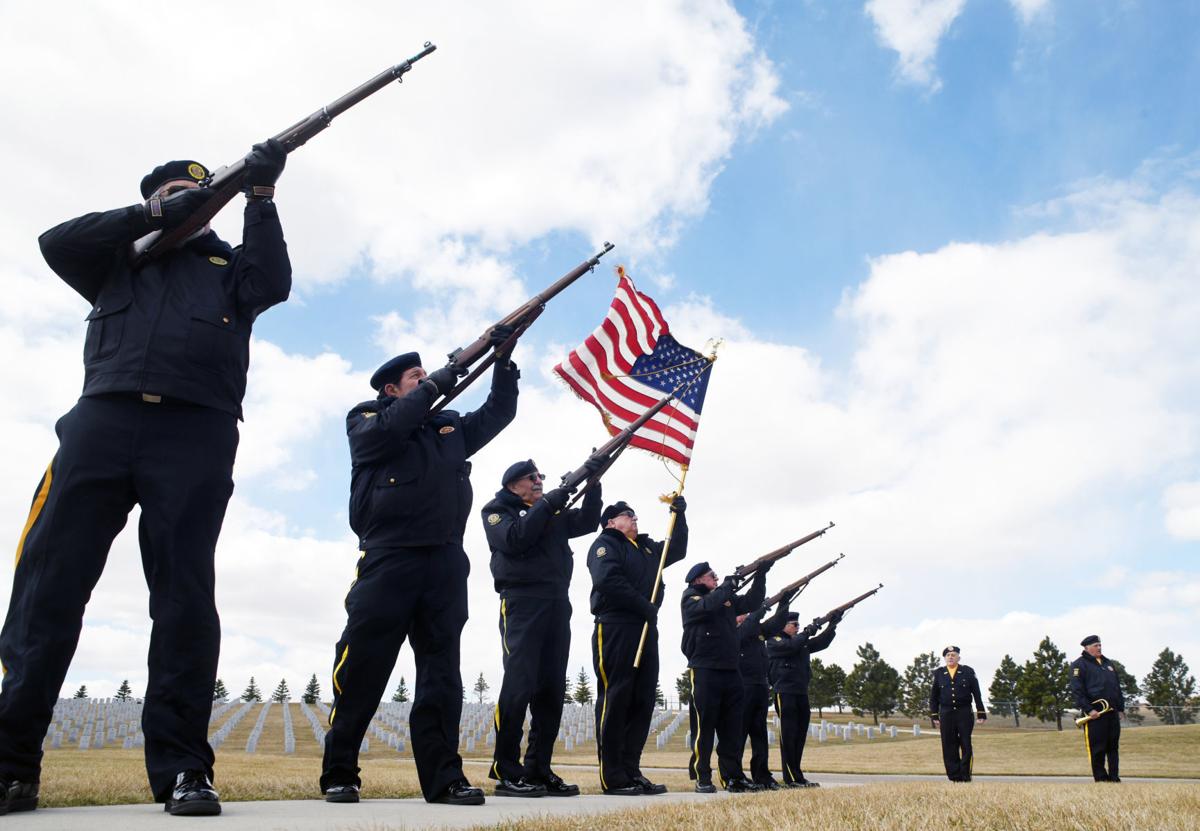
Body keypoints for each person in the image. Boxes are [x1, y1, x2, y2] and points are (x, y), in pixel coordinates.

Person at [0, 146, 289, 817]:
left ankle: (185, 768)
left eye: (198, 193)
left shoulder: (228, 265)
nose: (190, 200)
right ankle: (11, 762)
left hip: (196, 429)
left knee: (184, 598)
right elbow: (54, 241)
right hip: (102, 417)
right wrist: (151, 212)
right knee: (47, 588)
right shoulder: (112, 253)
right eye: (174, 192)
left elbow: (271, 283)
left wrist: (260, 197)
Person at [320, 341, 518, 806]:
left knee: (441, 675)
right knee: (363, 668)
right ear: (393, 388)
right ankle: (339, 772)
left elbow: (497, 414)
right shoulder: (368, 417)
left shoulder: (446, 427)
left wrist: (504, 361)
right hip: (388, 557)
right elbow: (381, 434)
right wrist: (436, 385)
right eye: (417, 378)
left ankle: (443, 778)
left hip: (445, 561)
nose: (427, 381)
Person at [481, 458, 602, 797]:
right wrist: (551, 501)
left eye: (540, 477)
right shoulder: (496, 510)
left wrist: (594, 485)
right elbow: (514, 539)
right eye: (531, 478)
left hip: (556, 602)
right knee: (519, 685)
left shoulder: (551, 511)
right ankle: (506, 769)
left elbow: (589, 522)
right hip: (521, 601)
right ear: (512, 485)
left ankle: (538, 768)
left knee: (550, 691)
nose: (538, 481)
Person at [588, 497, 687, 795]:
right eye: (627, 515)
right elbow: (608, 580)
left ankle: (631, 769)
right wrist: (643, 605)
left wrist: (678, 516)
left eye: (635, 515)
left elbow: (677, 550)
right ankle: (612, 775)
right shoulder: (605, 545)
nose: (634, 519)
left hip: (645, 626)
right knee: (616, 697)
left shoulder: (646, 548)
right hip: (616, 624)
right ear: (611, 522)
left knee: (642, 700)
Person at [681, 562, 767, 793]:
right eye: (712, 576)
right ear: (699, 579)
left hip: (731, 670)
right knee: (705, 727)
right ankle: (702, 776)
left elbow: (752, 602)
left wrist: (761, 575)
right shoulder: (691, 598)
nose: (717, 579)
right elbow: (707, 607)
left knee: (732, 730)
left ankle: (733, 777)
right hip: (705, 669)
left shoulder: (723, 598)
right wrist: (728, 586)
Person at [766, 610, 841, 788]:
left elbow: (821, 643)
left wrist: (832, 625)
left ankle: (797, 775)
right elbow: (790, 647)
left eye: (799, 625)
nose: (798, 627)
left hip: (800, 691)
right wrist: (808, 631)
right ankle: (790, 777)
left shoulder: (799, 642)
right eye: (795, 625)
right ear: (783, 625)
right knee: (789, 735)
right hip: (784, 692)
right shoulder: (774, 640)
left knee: (799, 735)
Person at [736, 596, 790, 789]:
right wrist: (760, 609)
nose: (746, 614)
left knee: (759, 734)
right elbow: (746, 628)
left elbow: (776, 624)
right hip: (743, 687)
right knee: (739, 734)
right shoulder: (735, 630)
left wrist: (784, 602)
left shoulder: (757, 630)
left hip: (760, 685)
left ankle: (762, 774)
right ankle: (736, 774)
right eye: (743, 612)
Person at [1069, 635, 1124, 783]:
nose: (1099, 648)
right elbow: (1077, 690)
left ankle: (1114, 778)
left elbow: (1117, 688)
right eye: (1095, 645)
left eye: (1100, 645)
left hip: (1111, 712)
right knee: (1098, 748)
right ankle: (1101, 779)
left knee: (1113, 748)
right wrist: (1089, 709)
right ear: (1086, 648)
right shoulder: (1079, 665)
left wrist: (1120, 708)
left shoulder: (1108, 664)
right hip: (1095, 714)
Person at [929, 646, 986, 782]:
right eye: (948, 655)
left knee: (966, 743)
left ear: (958, 657)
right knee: (949, 744)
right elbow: (934, 696)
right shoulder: (939, 673)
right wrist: (934, 715)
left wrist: (981, 712)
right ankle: (954, 776)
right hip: (946, 713)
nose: (950, 657)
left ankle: (965, 775)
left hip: (964, 712)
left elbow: (976, 693)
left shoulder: (967, 671)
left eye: (953, 655)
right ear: (945, 658)